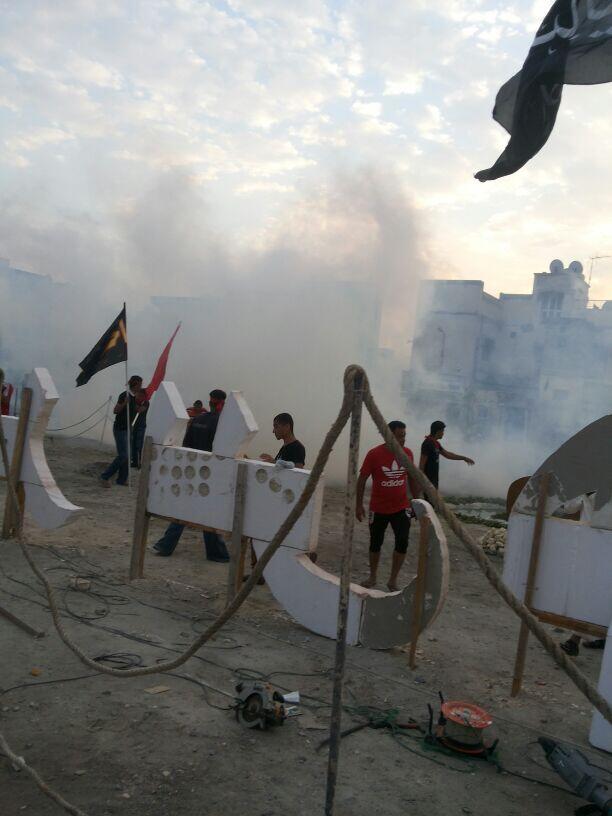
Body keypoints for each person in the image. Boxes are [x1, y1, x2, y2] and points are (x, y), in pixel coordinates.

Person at [153, 389, 229, 562]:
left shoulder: (198, 420)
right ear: (222, 403)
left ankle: (166, 545)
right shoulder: (221, 424)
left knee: (185, 509)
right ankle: (216, 553)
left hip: (191, 471)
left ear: (210, 402)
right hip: (208, 475)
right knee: (207, 514)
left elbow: (186, 445)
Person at [356, 420, 420, 592]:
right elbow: (362, 479)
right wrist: (358, 505)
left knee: (402, 541)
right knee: (375, 543)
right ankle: (373, 576)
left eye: (404, 436)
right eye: (399, 437)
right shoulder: (374, 454)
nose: (403, 440)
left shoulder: (407, 454)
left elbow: (413, 478)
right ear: (388, 436)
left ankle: (392, 580)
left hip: (401, 507)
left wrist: (417, 502)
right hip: (378, 508)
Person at [101, 375, 144, 487]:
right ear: (134, 385)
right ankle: (105, 476)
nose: (141, 387)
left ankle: (121, 479)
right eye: (139, 385)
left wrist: (139, 410)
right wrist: (125, 403)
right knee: (123, 455)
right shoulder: (124, 395)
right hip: (120, 429)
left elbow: (133, 411)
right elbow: (116, 410)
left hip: (128, 429)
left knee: (128, 456)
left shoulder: (135, 398)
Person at [419, 420, 475, 489]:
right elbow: (421, 466)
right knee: (430, 499)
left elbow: (448, 454)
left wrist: (464, 458)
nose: (443, 433)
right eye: (443, 431)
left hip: (434, 479)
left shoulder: (436, 443)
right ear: (438, 431)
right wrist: (423, 482)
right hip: (428, 480)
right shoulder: (427, 443)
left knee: (433, 499)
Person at [131, 388, 149, 469]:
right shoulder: (135, 401)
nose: (139, 396)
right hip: (134, 424)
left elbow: (140, 410)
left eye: (141, 395)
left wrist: (135, 404)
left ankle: (139, 462)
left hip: (141, 425)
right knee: (133, 443)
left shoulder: (146, 402)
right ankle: (135, 462)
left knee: (139, 444)